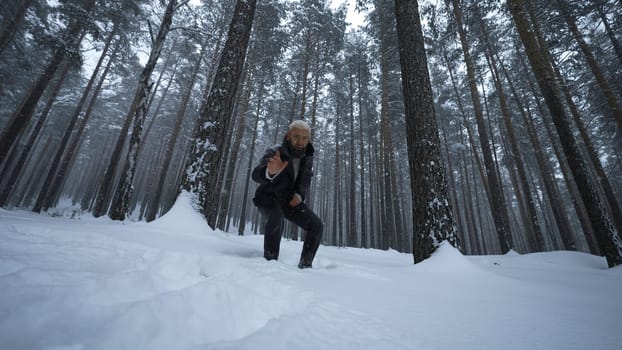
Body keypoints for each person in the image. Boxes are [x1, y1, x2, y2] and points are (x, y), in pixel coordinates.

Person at [252, 120, 323, 269]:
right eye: (296, 136)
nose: (300, 142)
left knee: (316, 225)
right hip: (268, 198)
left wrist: (299, 195)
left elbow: (306, 179)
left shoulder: (307, 156)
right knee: (276, 215)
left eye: (305, 138)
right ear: (288, 135)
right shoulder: (276, 151)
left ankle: (305, 266)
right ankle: (270, 263)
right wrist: (269, 172)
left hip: (290, 201)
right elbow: (256, 175)